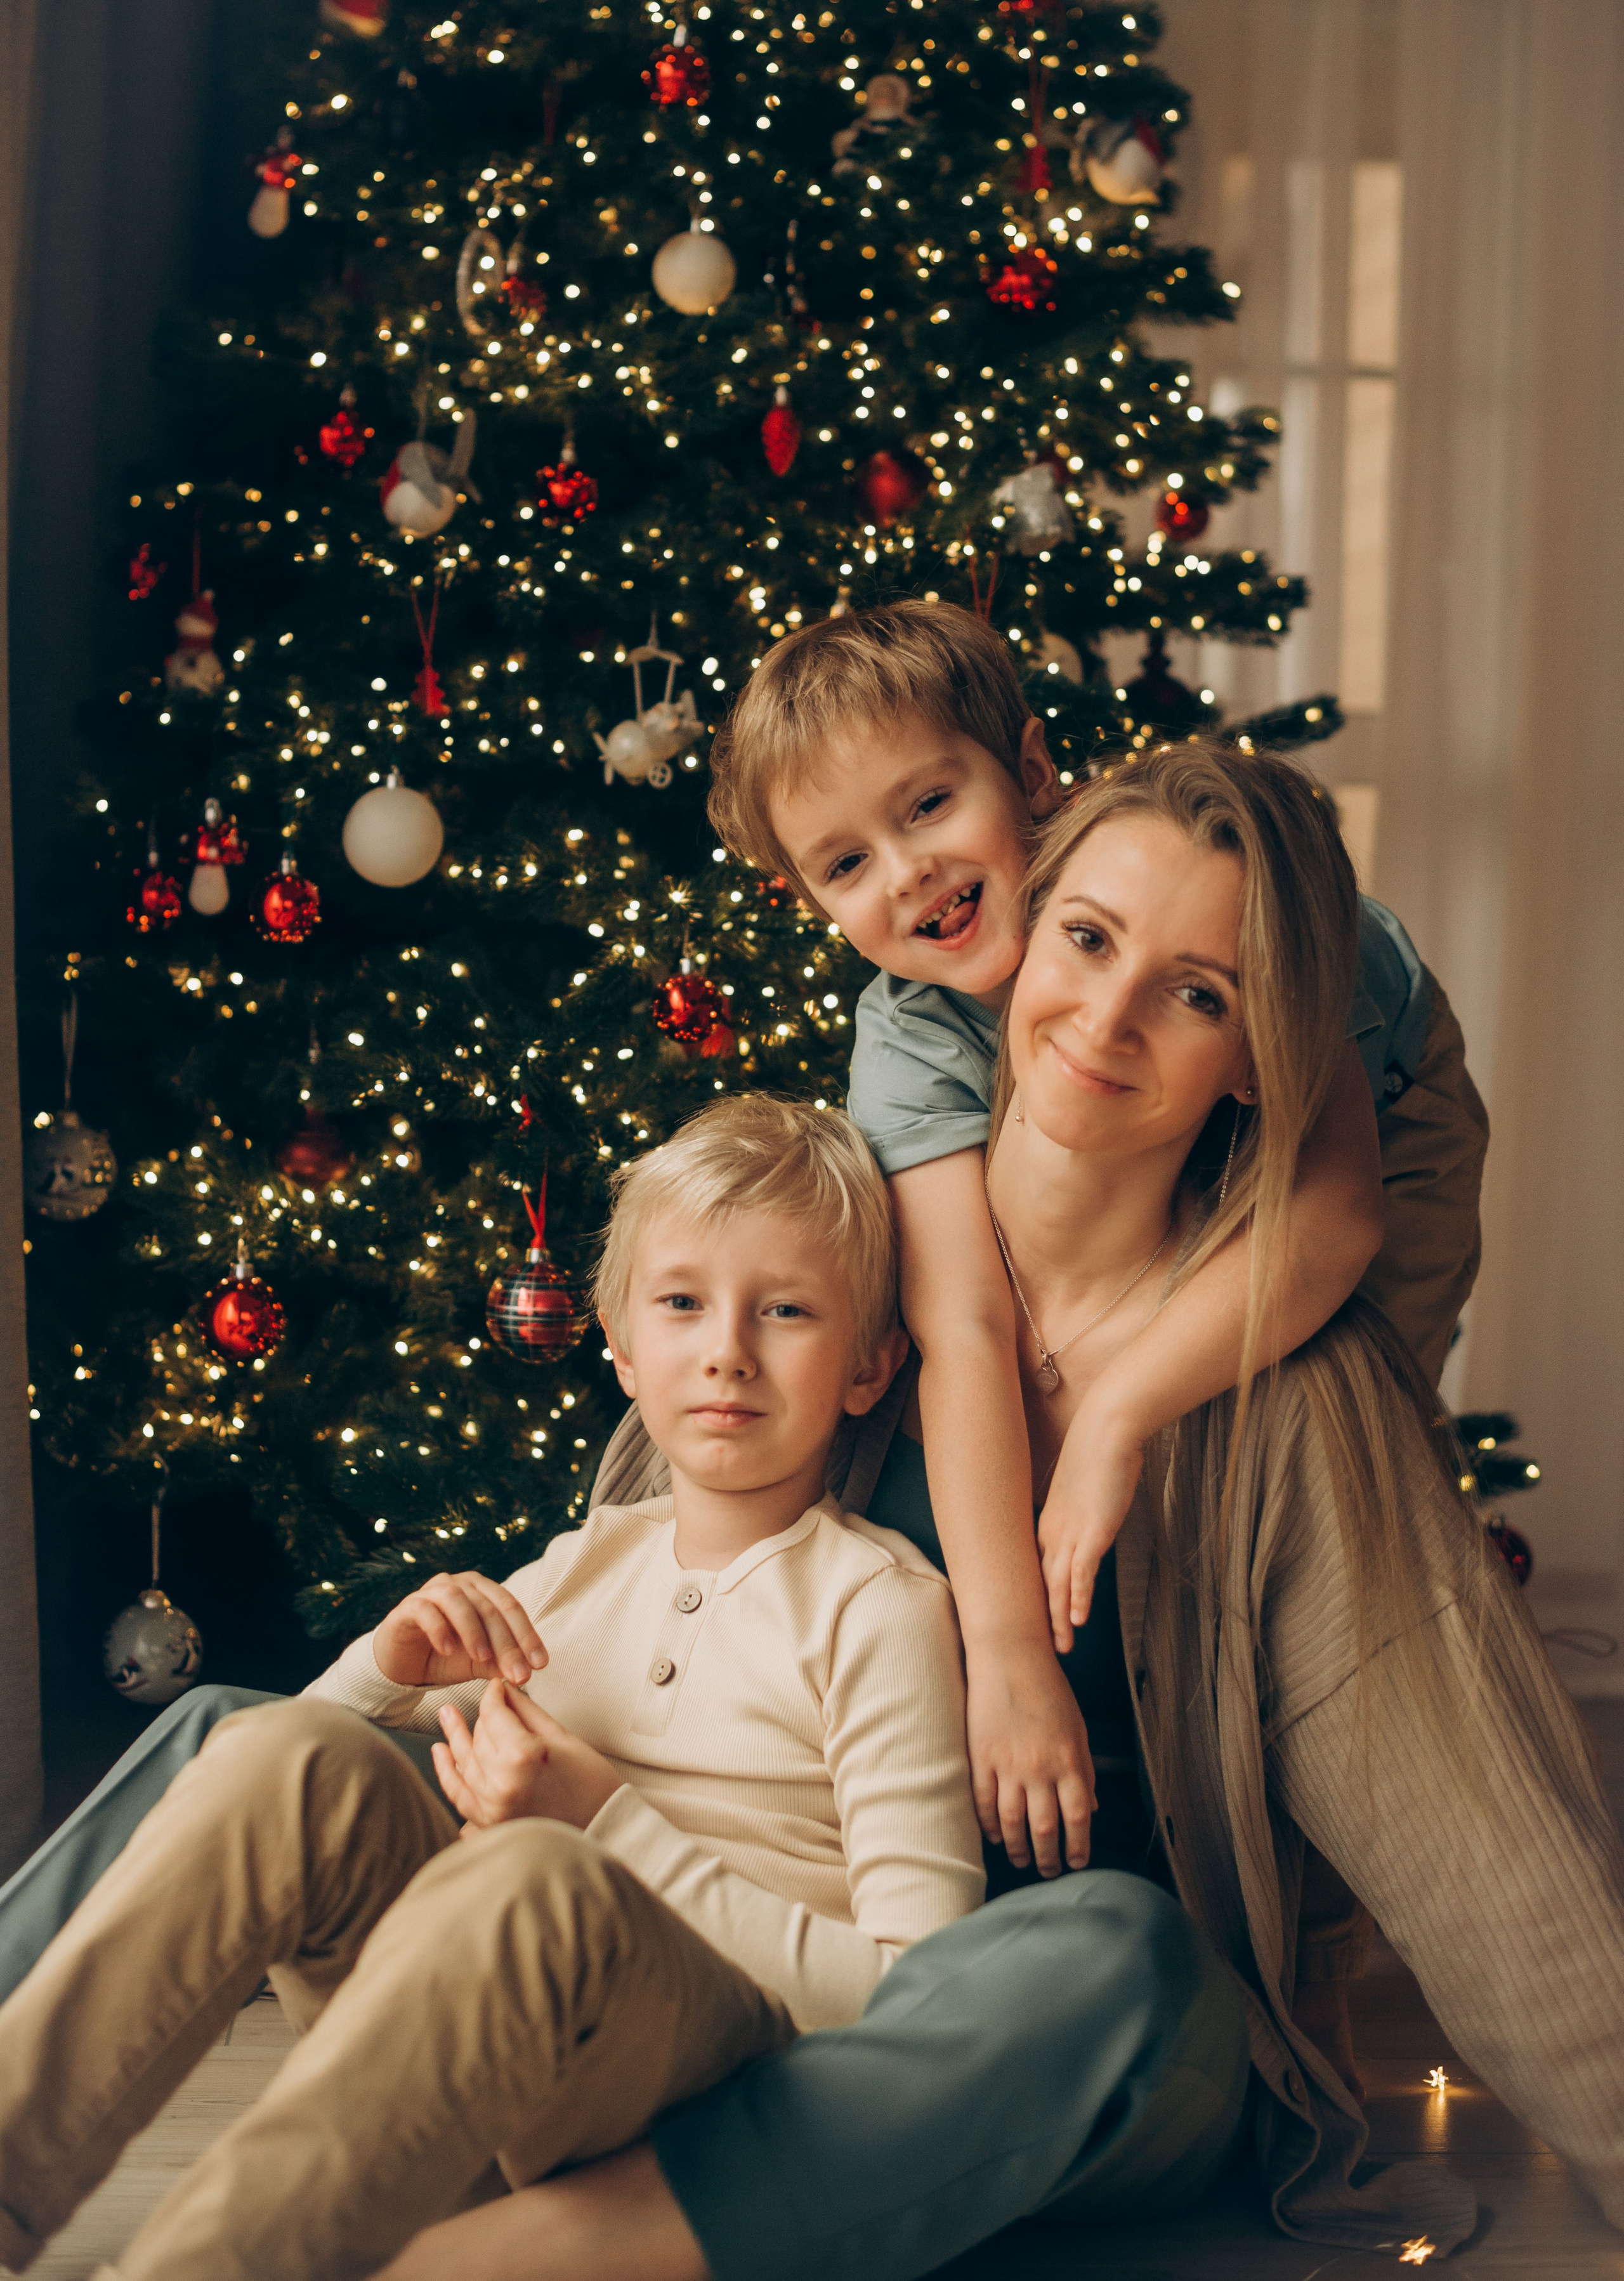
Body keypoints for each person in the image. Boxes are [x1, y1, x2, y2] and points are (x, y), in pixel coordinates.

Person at [390, 745, 1624, 2280]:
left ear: (1255, 1053)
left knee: (1101, 1951)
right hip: (746, 2009)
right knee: (266, 1755)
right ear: (1018, 939)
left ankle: (515, 2256)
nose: (1105, 1020)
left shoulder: (1290, 1401)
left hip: (1092, 2056)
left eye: (1197, 991)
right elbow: (598, 1663)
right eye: (1088, 939)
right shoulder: (827, 1294)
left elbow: (1493, 1861)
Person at [1, 1096, 1155, 2281]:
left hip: (700, 2109)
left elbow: (922, 2003)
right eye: (682, 1304)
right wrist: (379, 1668)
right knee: (278, 1754)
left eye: (788, 1311)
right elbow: (281, 1849)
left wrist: (604, 1819)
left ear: (869, 1368)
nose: (728, 1352)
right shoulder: (577, 1567)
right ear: (619, 1344)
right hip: (454, 2078)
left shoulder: (881, 1607)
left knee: (532, 1872)